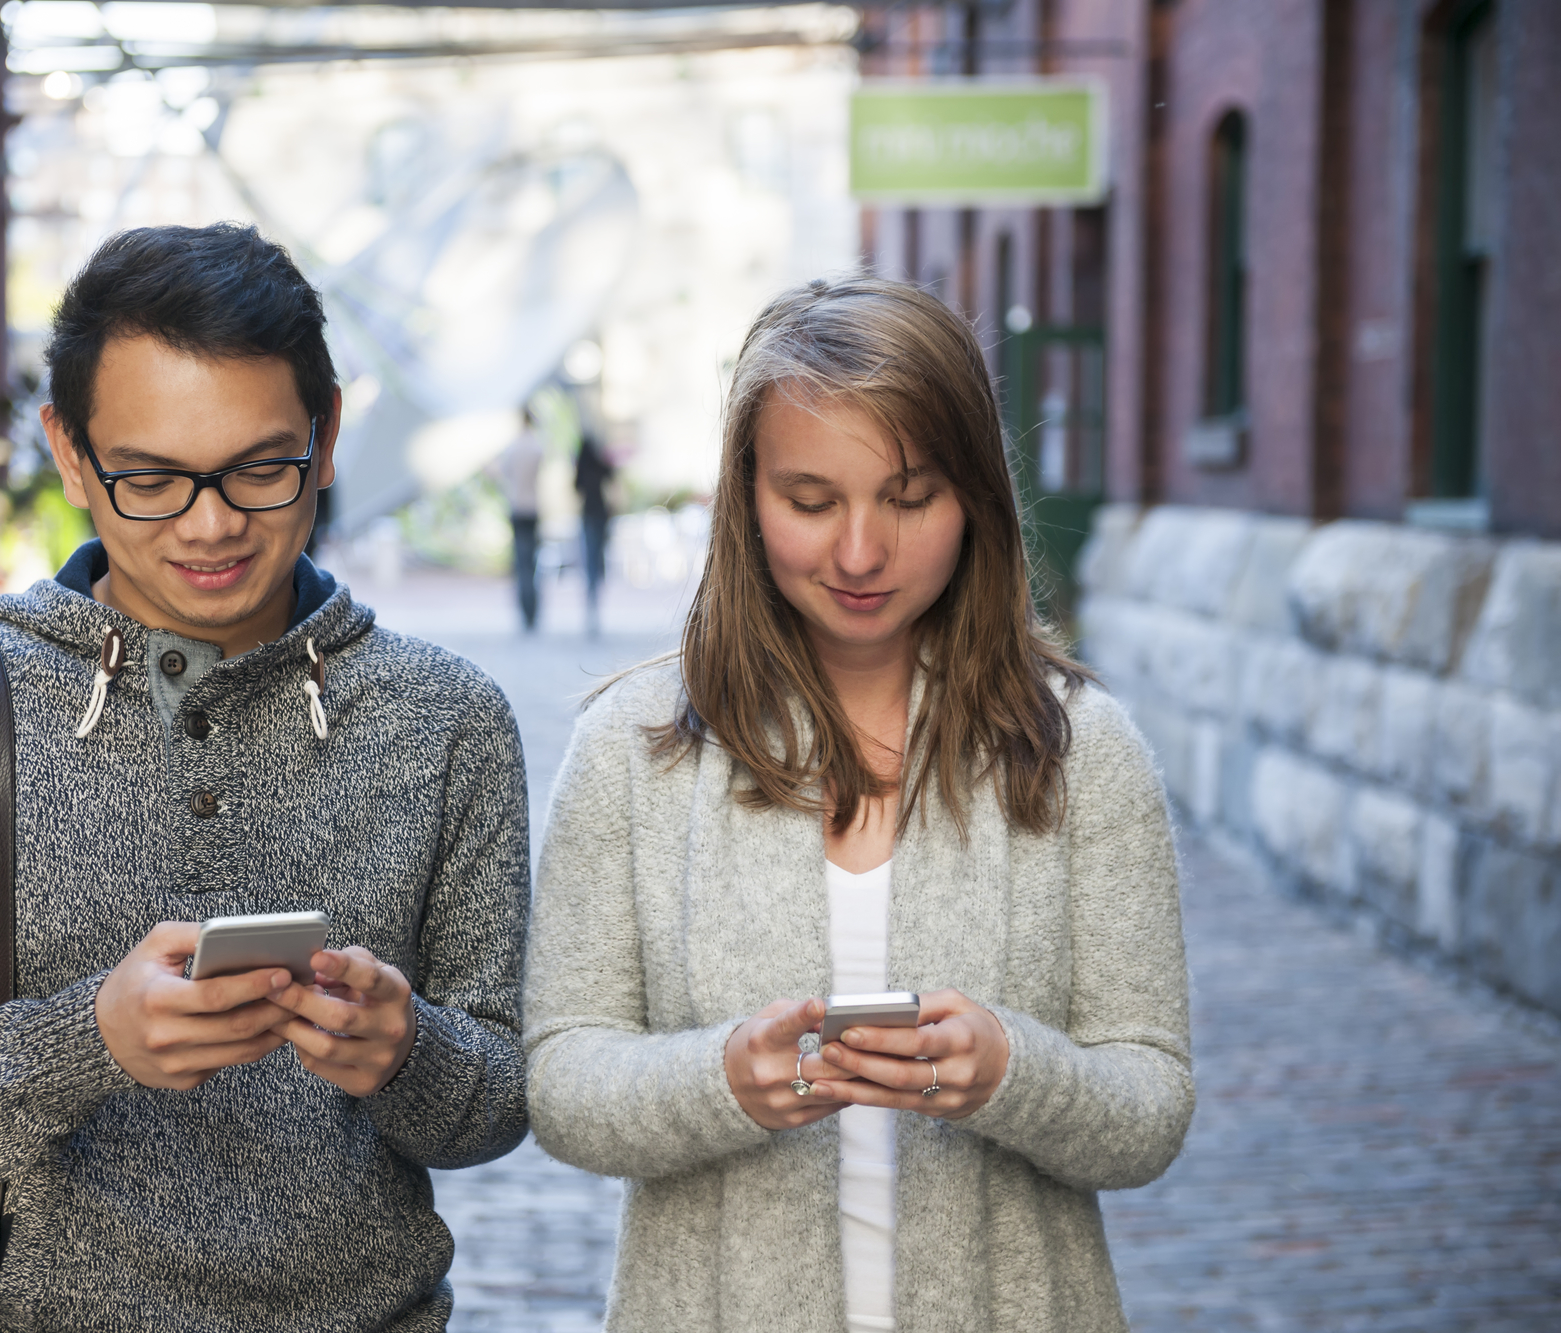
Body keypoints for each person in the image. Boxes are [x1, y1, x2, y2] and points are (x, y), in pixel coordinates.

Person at [0, 223, 531, 1331]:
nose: (211, 523)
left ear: (327, 436)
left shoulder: (447, 720)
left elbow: (499, 1101)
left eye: (258, 466)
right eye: (149, 478)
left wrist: (406, 1050)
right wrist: (85, 1041)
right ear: (67, 450)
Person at [523, 276, 1192, 1333]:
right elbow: (559, 1077)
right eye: (810, 499)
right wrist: (720, 1081)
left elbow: (1149, 1106)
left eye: (909, 495)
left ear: (975, 492)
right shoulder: (631, 748)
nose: (860, 553)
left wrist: (1011, 1072)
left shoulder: (1079, 750)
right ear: (744, 497)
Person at [498, 406, 544, 630]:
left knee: (522, 564)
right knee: (532, 564)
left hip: (517, 507)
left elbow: (503, 474)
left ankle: (526, 612)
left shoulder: (514, 447)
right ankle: (533, 611)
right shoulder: (536, 446)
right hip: (533, 507)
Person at [574, 428, 613, 637]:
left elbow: (576, 488)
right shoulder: (600, 465)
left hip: (588, 515)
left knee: (590, 555)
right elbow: (612, 476)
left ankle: (592, 593)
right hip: (601, 515)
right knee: (598, 555)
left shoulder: (583, 468)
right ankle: (596, 588)